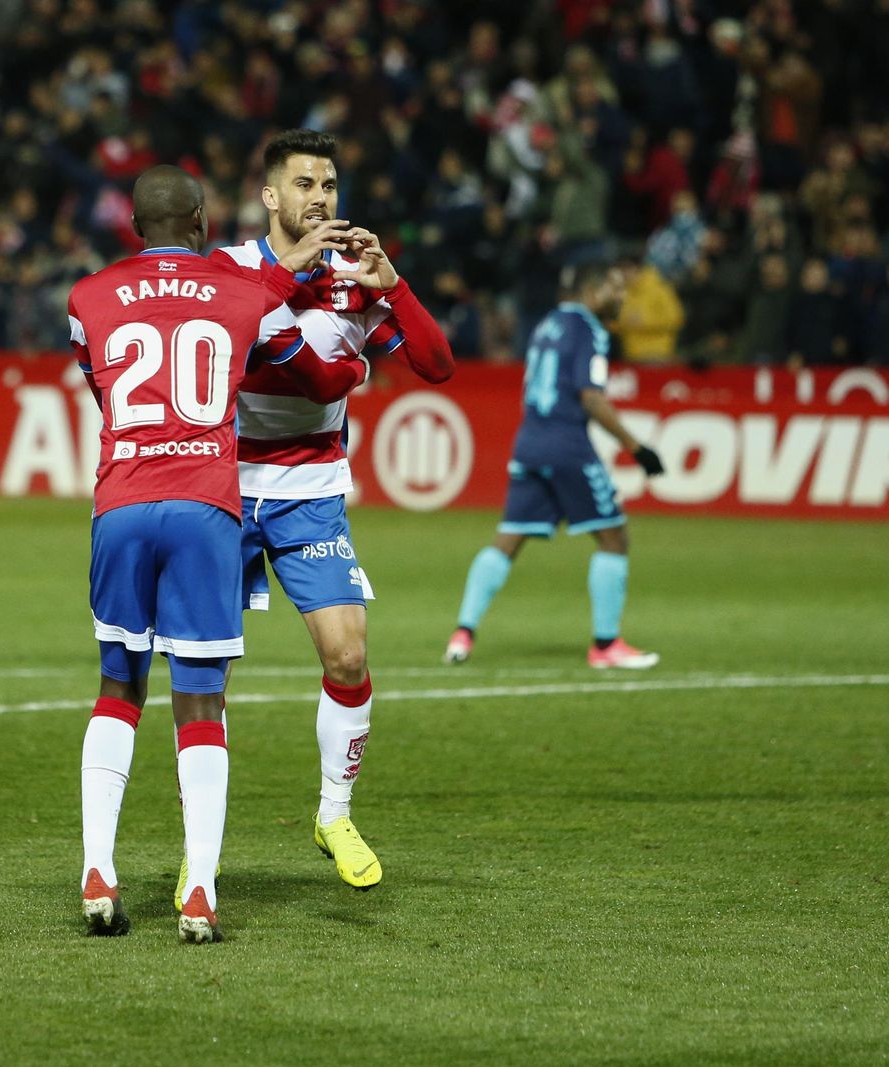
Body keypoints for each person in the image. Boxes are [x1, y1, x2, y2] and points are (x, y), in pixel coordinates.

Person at [69, 165, 375, 943]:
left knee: (118, 686)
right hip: (208, 504)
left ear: (135, 225)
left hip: (123, 500)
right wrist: (357, 365)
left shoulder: (88, 295)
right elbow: (315, 375)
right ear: (203, 221)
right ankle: (200, 891)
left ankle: (98, 869)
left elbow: (100, 385)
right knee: (201, 698)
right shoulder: (241, 295)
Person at [208, 129, 455, 891]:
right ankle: (200, 843)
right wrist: (299, 288)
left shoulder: (355, 279)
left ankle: (334, 814)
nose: (320, 197)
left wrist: (394, 284)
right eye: (304, 183)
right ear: (270, 196)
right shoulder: (230, 269)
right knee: (205, 669)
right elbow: (267, 359)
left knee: (348, 656)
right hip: (222, 487)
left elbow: (437, 365)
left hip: (311, 491)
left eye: (330, 185)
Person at [444, 262, 665, 669]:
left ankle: (463, 634)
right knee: (614, 538)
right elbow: (591, 397)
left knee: (508, 539)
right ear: (592, 291)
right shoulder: (589, 329)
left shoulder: (549, 324)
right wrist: (636, 447)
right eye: (615, 288)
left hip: (530, 441)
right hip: (567, 445)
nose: (621, 296)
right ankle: (606, 646)